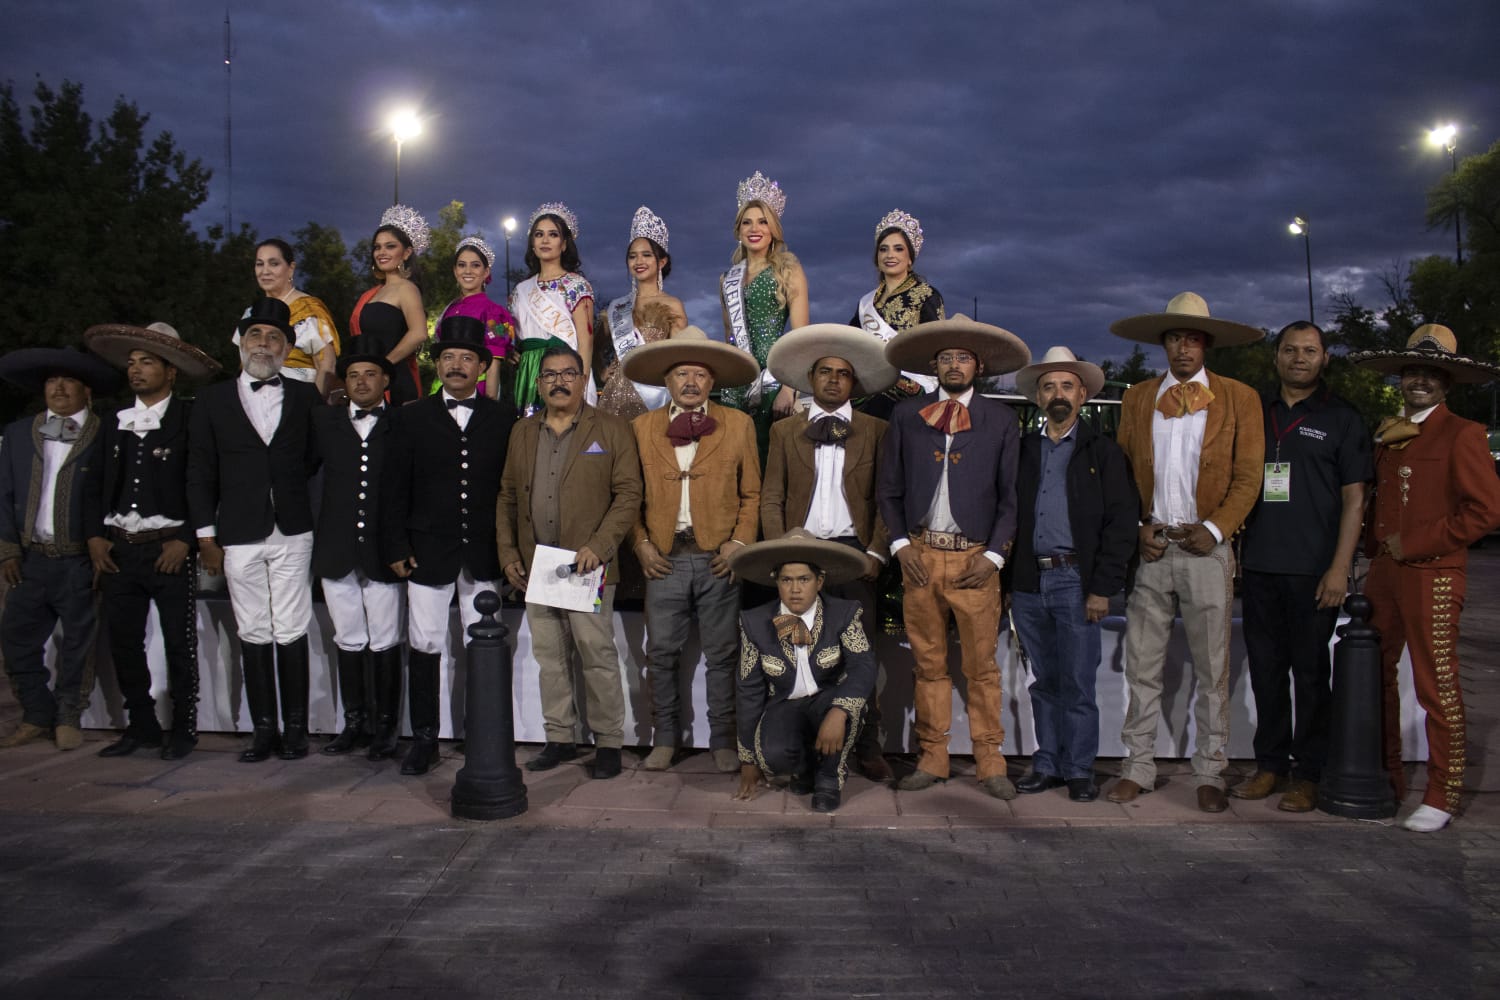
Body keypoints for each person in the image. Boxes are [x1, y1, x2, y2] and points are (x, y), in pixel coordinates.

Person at [1107, 292, 1265, 813]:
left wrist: (1217, 530)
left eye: (1192, 338)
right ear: (1163, 343)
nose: (1183, 348)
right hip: (1153, 545)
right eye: (1174, 338)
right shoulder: (1137, 398)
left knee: (1211, 667)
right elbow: (1124, 474)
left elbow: (1249, 477)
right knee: (1142, 665)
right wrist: (1136, 528)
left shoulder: (1239, 398)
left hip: (1206, 550)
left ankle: (1210, 770)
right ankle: (1138, 766)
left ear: (1206, 344)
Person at [1349, 325, 1500, 833]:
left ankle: (1442, 791)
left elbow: (1485, 512)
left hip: (1433, 573)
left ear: (1447, 383)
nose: (1420, 381)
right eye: (1413, 371)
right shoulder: (1389, 431)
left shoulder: (1464, 433)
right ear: (1401, 377)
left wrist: (1413, 543)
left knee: (1437, 685)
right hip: (1384, 574)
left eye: (1431, 374)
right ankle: (1389, 780)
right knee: (1377, 678)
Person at [876, 316, 1030, 799]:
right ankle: (933, 757)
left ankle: (990, 761)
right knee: (928, 665)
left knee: (982, 668)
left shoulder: (1001, 419)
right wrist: (900, 546)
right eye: (946, 358)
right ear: (933, 365)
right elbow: (889, 488)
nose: (954, 365)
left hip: (975, 561)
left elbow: (1011, 498)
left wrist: (996, 557)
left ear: (978, 366)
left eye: (963, 357)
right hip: (921, 555)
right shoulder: (906, 415)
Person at [1234, 322, 1372, 812]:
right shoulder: (1254, 411)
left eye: (1309, 350)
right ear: (1276, 358)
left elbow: (1356, 500)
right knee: (1266, 675)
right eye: (1290, 350)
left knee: (1311, 677)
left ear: (1324, 359)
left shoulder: (1343, 419)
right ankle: (1270, 766)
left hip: (1315, 573)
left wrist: (1340, 570)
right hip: (1260, 569)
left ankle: (1309, 774)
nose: (1299, 358)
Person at [497, 344, 643, 779]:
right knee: (551, 657)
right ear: (539, 384)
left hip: (588, 566)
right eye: (550, 375)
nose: (559, 381)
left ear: (583, 381)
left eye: (568, 374)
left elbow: (629, 494)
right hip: (538, 565)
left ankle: (608, 744)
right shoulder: (522, 431)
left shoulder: (612, 428)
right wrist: (508, 555)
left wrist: (599, 545)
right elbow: (506, 496)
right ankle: (559, 738)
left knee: (596, 655)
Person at [761, 323, 898, 781]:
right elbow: (771, 497)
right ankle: (799, 746)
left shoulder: (878, 430)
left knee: (862, 657)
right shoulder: (785, 432)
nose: (834, 379)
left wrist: (877, 553)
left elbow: (886, 496)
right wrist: (781, 556)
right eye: (825, 371)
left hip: (855, 554)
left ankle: (868, 745)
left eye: (843, 373)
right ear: (811, 378)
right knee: (798, 654)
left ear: (853, 383)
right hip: (801, 554)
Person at [188, 298, 321, 763]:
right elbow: (200, 471)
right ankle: (264, 728)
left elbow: (313, 461)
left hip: (292, 530)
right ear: (241, 344)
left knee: (291, 626)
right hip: (238, 532)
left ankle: (297, 730)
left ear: (286, 348)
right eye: (256, 336)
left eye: (274, 338)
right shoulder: (211, 400)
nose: (264, 344)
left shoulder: (306, 397)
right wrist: (206, 537)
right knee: (253, 628)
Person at [382, 315, 516, 775]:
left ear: (482, 366)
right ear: (437, 364)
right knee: (425, 645)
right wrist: (397, 545)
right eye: (448, 358)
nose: (456, 365)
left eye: (466, 358)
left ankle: (484, 734)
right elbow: (394, 487)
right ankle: (425, 739)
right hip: (428, 552)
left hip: (483, 554)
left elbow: (510, 490)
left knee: (486, 648)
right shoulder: (410, 417)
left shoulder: (504, 418)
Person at [622, 326, 761, 773]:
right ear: (667, 380)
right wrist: (640, 543)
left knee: (723, 654)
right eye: (681, 373)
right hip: (663, 556)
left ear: (712, 382)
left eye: (699, 374)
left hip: (717, 557)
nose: (690, 382)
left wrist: (739, 544)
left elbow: (753, 495)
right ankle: (665, 738)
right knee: (660, 652)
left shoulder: (738, 425)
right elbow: (628, 494)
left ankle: (723, 740)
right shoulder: (640, 428)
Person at [82, 321, 221, 760]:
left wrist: (187, 538)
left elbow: (203, 481)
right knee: (123, 640)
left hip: (169, 548)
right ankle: (141, 724)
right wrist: (95, 537)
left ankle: (183, 727)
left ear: (171, 371)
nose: (137, 371)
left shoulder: (189, 416)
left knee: (179, 642)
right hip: (121, 547)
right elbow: (95, 484)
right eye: (133, 363)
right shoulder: (114, 421)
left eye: (147, 363)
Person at [1006, 347, 1137, 802]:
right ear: (1038, 397)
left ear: (1082, 394)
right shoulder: (1023, 451)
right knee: (1044, 680)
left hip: (1076, 580)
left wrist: (1103, 588)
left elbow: (1122, 523)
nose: (1057, 394)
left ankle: (1080, 768)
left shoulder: (1103, 452)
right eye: (1048, 387)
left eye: (1066, 385)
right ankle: (1049, 763)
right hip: (1028, 582)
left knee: (1078, 682)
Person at [0, 346, 120, 750]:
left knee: (78, 645)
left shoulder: (107, 433)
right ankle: (36, 713)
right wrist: (8, 550)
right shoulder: (19, 432)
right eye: (52, 381)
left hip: (79, 560)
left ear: (86, 390)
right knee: (15, 640)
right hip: (31, 558)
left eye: (68, 381)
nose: (59, 388)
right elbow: (3, 493)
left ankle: (69, 713)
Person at [728, 530, 877, 813]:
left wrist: (839, 711)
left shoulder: (844, 613)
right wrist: (748, 761)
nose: (795, 589)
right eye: (787, 580)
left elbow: (863, 666)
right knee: (771, 755)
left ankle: (829, 778)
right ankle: (806, 769)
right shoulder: (754, 621)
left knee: (845, 712)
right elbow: (748, 689)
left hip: (828, 701)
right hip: (785, 703)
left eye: (804, 579)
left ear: (819, 582)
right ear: (777, 583)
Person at [310, 346, 405, 759]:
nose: (361, 381)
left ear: (385, 382)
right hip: (336, 547)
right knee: (347, 638)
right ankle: (354, 723)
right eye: (352, 375)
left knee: (384, 639)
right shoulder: (323, 423)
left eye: (370, 374)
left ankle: (386, 727)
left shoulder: (401, 425)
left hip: (383, 551)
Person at [718, 171, 809, 454]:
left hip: (773, 380)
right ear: (738, 230)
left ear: (773, 229)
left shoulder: (788, 270)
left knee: (770, 457)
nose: (754, 228)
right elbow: (729, 337)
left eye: (762, 221)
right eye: (747, 222)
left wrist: (789, 388)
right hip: (737, 381)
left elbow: (801, 337)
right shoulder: (727, 279)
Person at [849, 208, 946, 420]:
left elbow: (936, 346)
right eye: (883, 249)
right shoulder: (866, 302)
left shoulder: (926, 294)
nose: (890, 255)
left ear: (910, 258)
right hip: (873, 380)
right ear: (877, 257)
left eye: (898, 249)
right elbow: (850, 342)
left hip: (914, 382)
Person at [596, 206, 687, 421]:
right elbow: (595, 346)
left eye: (646, 255)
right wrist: (601, 370)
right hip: (615, 396)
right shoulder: (618, 307)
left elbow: (680, 356)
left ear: (661, 262)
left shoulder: (672, 305)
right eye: (632, 256)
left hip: (655, 395)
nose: (639, 262)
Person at [511, 203, 594, 415]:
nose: (545, 240)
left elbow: (585, 342)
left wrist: (580, 384)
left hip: (565, 371)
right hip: (531, 373)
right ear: (532, 243)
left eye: (553, 235)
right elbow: (514, 338)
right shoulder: (521, 290)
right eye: (539, 234)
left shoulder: (577, 285)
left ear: (564, 244)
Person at [232, 238, 340, 398]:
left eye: (273, 263)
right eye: (260, 264)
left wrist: (314, 409)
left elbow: (327, 366)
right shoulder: (250, 313)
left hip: (299, 402)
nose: (265, 271)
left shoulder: (309, 310)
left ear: (291, 269)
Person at [349, 205, 429, 407]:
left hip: (395, 380)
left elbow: (419, 333)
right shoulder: (373, 293)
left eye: (390, 246)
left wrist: (383, 365)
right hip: (370, 380)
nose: (381, 252)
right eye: (377, 247)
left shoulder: (407, 288)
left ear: (406, 252)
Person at [435, 235, 516, 403]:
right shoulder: (450, 309)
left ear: (486, 272)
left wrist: (490, 405)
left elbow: (494, 360)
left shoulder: (494, 313)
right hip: (445, 390)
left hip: (478, 392)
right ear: (455, 270)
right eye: (462, 265)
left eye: (476, 265)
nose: (468, 271)